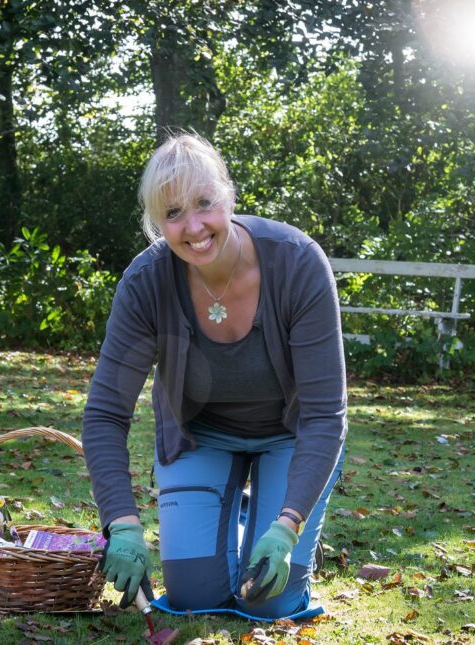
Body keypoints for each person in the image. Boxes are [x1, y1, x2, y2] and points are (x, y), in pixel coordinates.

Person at [82, 132, 347, 619]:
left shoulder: (298, 261)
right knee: (193, 598)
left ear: (228, 195)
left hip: (291, 435)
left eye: (204, 203)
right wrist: (121, 523)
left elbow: (325, 415)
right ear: (157, 223)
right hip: (199, 435)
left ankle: (277, 524)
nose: (194, 226)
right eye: (173, 213)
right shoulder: (146, 284)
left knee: (270, 601)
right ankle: (237, 519)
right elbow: (105, 414)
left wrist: (287, 526)